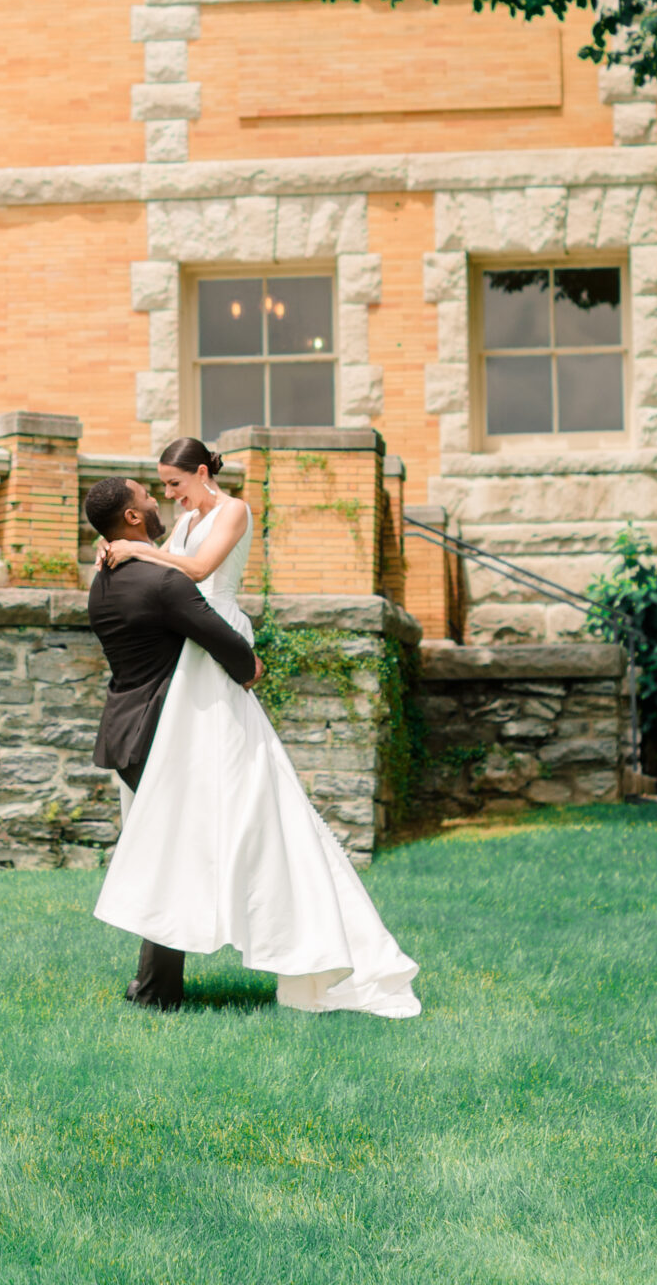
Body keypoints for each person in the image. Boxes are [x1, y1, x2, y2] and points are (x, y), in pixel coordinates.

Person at [92, 436, 421, 1020]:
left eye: (175, 483)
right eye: (159, 488)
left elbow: (193, 571)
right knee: (195, 823)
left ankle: (289, 946)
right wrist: (119, 549)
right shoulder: (185, 518)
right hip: (192, 661)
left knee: (243, 804)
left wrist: (132, 550)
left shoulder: (232, 509)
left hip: (215, 643)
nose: (170, 494)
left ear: (199, 472)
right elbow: (164, 565)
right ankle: (173, 968)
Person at [82, 470, 261, 1009]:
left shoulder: (104, 579)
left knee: (167, 856)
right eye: (146, 497)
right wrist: (251, 666)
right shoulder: (163, 583)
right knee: (175, 859)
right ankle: (157, 991)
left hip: (124, 732)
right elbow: (227, 646)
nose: (158, 502)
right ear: (133, 517)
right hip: (164, 733)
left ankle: (154, 988)